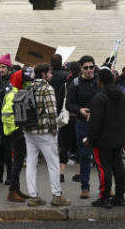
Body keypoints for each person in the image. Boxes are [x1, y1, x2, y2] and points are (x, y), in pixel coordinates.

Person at [22, 64, 70, 207]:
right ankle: (57, 195)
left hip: (29, 131)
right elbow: (51, 111)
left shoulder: (28, 87)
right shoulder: (47, 88)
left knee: (31, 163)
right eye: (49, 73)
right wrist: (54, 128)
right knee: (53, 163)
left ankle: (33, 196)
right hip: (44, 132)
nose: (51, 75)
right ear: (43, 74)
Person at [87, 68, 125, 208]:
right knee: (118, 166)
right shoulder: (122, 96)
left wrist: (91, 139)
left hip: (103, 140)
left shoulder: (99, 98)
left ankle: (105, 197)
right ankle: (120, 196)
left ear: (100, 82)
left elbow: (95, 122)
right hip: (118, 137)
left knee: (104, 168)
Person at [66, 55, 99, 198]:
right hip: (82, 124)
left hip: (99, 124)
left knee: (101, 156)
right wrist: (79, 110)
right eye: (86, 68)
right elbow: (68, 104)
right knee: (85, 156)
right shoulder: (75, 83)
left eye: (91, 67)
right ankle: (85, 187)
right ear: (81, 68)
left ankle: (105, 186)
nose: (89, 70)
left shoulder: (99, 81)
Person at [1, 69, 29, 202]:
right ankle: (12, 191)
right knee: (17, 164)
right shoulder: (13, 94)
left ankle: (16, 189)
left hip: (15, 132)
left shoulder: (16, 92)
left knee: (18, 162)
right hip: (15, 134)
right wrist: (17, 131)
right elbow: (6, 115)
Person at [49, 54, 72, 184]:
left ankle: (54, 167)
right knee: (63, 142)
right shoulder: (66, 76)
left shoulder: (49, 76)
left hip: (51, 109)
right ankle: (61, 170)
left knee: (52, 139)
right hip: (63, 111)